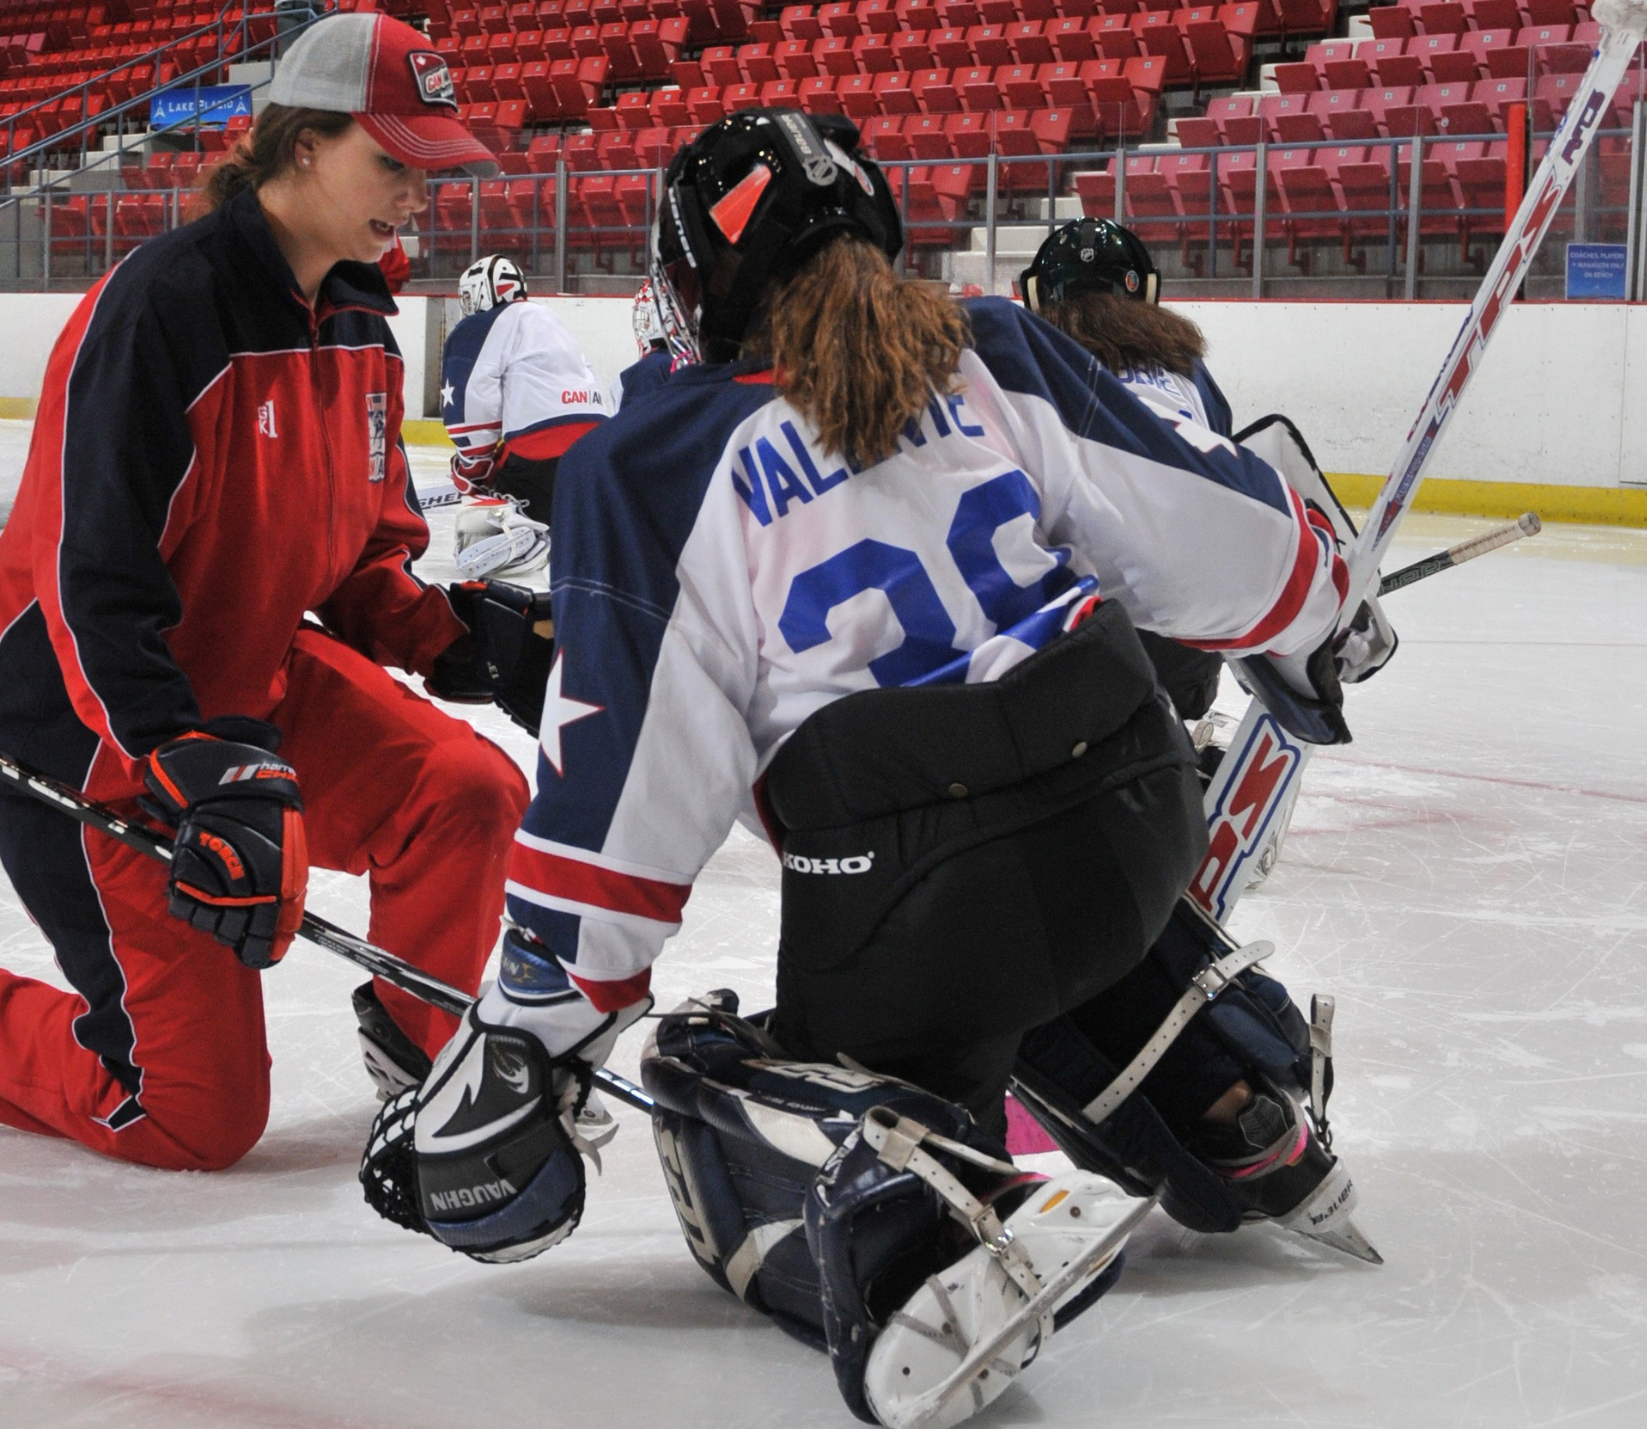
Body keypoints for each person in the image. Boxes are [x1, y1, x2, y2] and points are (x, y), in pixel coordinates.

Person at [367, 110, 1379, 1425]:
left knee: (715, 1062)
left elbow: (629, 798)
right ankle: (1230, 1104)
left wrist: (536, 1039)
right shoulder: (990, 343)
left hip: (917, 903)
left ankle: (906, 1226)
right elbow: (1214, 536)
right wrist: (1322, 607)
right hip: (1137, 809)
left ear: (692, 283)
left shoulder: (650, 459)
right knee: (1066, 930)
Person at [0, 13, 539, 1170]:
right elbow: (92, 584)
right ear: (303, 145)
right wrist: (188, 755)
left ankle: (424, 1055)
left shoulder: (362, 314)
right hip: (89, 729)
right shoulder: (163, 306)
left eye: (429, 166)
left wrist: (464, 640)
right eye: (393, 160)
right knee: (191, 1116)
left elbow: (364, 550)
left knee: (464, 791)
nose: (417, 193)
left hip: (243, 699)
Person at [1018, 217, 1233, 722]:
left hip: (1067, 657)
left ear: (1039, 294)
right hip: (1185, 650)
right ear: (1145, 291)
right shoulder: (1190, 371)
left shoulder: (1026, 370)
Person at [441, 254, 608, 526]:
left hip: (537, 453)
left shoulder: (477, 325)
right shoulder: (548, 317)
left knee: (485, 526)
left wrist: (473, 467)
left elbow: (471, 399)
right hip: (594, 450)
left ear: (483, 292)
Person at [607, 280, 675, 414]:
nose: (643, 326)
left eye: (647, 319)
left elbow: (630, 431)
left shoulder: (643, 373)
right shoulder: (707, 362)